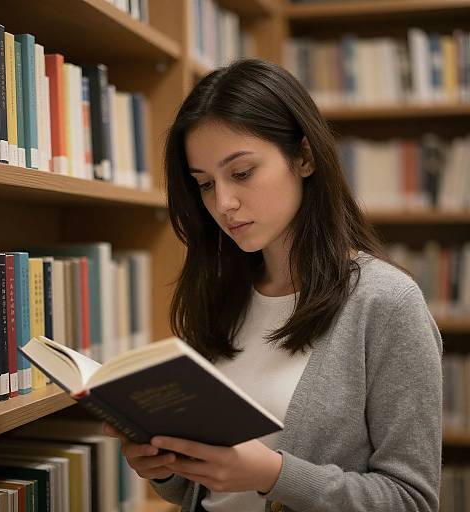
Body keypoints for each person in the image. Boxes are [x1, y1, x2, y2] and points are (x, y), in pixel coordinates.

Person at [104, 58, 442, 512]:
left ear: (303, 157)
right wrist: (164, 466)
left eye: (241, 173)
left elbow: (411, 500)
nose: (223, 203)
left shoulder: (386, 302)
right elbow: (210, 491)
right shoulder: (222, 292)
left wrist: (274, 476)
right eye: (204, 184)